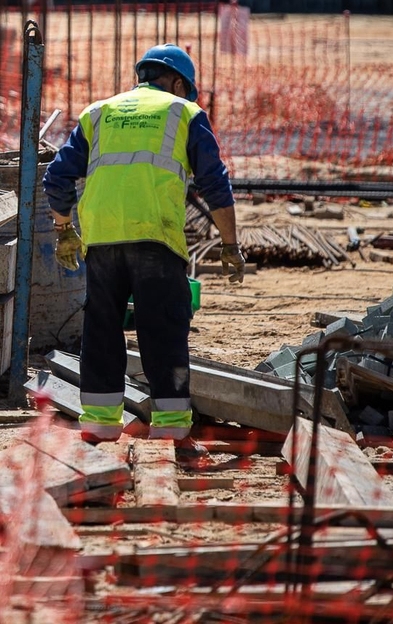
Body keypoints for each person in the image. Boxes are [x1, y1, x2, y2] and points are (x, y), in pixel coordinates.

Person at [41, 44, 244, 441]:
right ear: (179, 83)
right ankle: (170, 426)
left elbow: (56, 177)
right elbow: (215, 184)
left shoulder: (98, 112)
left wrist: (64, 230)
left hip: (101, 238)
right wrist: (230, 244)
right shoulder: (185, 112)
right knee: (163, 329)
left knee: (101, 328)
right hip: (156, 236)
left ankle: (99, 421)